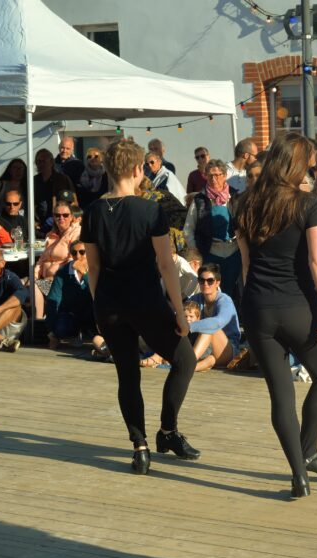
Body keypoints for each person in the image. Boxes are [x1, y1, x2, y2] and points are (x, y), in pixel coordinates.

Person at [82, 138, 200, 474]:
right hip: (145, 300)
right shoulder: (149, 209)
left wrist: (98, 306)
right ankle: (167, 431)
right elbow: (166, 265)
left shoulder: (91, 211)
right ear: (137, 170)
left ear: (107, 169)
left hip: (109, 303)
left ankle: (141, 445)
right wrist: (180, 313)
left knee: (127, 375)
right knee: (184, 359)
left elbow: (93, 268)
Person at [236, 132, 317, 498]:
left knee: (280, 396)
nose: (313, 167)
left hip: (256, 307)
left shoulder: (245, 204)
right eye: (310, 161)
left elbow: (247, 267)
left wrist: (252, 309)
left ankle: (299, 475)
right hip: (297, 305)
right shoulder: (308, 204)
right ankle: (309, 450)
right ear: (298, 164)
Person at [185, 159, 240, 301]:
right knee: (213, 291)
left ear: (225, 175)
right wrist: (196, 250)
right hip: (210, 252)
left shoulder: (235, 197)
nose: (214, 179)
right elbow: (188, 229)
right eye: (210, 175)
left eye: (217, 174)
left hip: (234, 251)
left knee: (233, 290)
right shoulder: (200, 200)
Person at [44, 241, 107, 356]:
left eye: (82, 252)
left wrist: (86, 273)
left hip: (92, 314)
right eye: (74, 253)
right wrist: (52, 329)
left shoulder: (98, 269)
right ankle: (73, 334)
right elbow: (53, 300)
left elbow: (101, 295)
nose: (78, 256)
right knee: (61, 328)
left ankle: (95, 337)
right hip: (71, 314)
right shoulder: (63, 272)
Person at [186, 263, 241, 372]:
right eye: (202, 280)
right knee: (211, 360)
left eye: (210, 281)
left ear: (217, 283)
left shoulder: (225, 300)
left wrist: (188, 326)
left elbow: (218, 322)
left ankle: (188, 362)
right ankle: (189, 368)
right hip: (206, 351)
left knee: (210, 328)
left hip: (227, 349)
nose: (205, 284)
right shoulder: (195, 299)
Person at [32, 148, 75, 229]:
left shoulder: (63, 179)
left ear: (51, 162)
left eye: (44, 161)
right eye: (38, 161)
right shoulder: (33, 181)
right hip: (38, 224)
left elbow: (73, 202)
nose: (41, 164)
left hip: (58, 222)